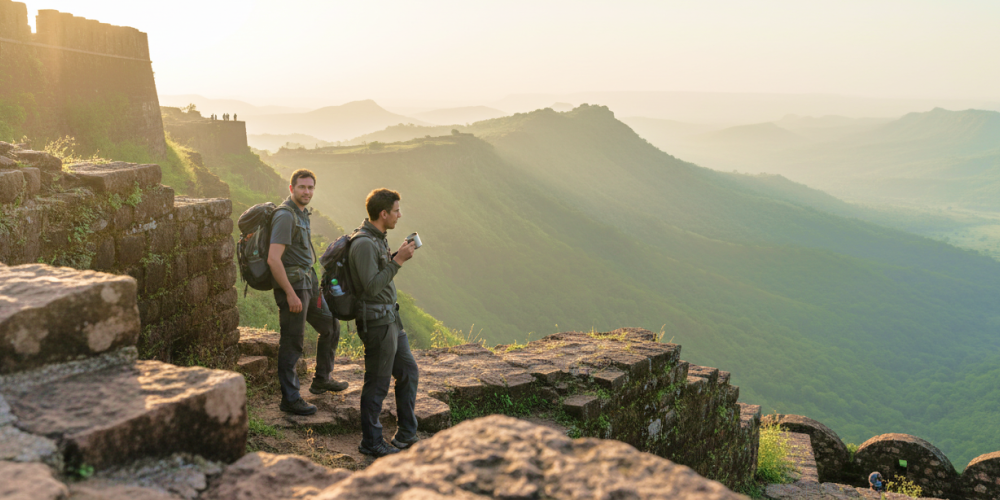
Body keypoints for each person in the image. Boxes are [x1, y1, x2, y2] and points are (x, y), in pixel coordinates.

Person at [267, 169, 348, 416]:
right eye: (302, 187)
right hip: (294, 287)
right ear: (291, 188)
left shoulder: (302, 213)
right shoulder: (285, 216)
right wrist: (290, 294)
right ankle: (290, 399)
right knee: (293, 341)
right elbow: (273, 259)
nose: (307, 192)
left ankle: (322, 379)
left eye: (311, 187)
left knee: (331, 326)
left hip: (308, 283)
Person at [349, 188, 419, 457]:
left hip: (391, 319)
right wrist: (399, 261)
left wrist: (394, 257)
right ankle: (371, 441)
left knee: (408, 371)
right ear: (383, 213)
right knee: (377, 383)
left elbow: (378, 273)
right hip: (377, 323)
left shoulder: (378, 238)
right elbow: (370, 287)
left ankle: (406, 433)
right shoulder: (365, 243)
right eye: (396, 211)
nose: (399, 215)